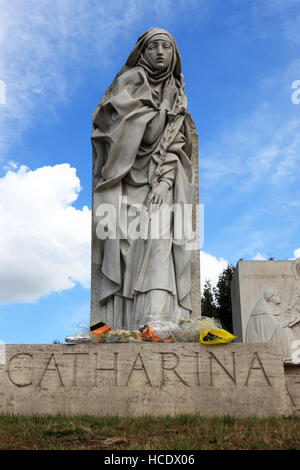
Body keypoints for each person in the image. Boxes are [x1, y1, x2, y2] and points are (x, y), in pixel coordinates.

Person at [91, 28, 195, 329]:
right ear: (142, 52)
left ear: (174, 54)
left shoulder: (178, 93)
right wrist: (158, 110)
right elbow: (121, 128)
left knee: (161, 242)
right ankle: (121, 326)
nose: (161, 52)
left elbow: (178, 144)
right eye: (154, 47)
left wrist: (165, 180)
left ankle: (157, 321)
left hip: (163, 182)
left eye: (166, 47)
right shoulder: (129, 82)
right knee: (122, 249)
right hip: (123, 182)